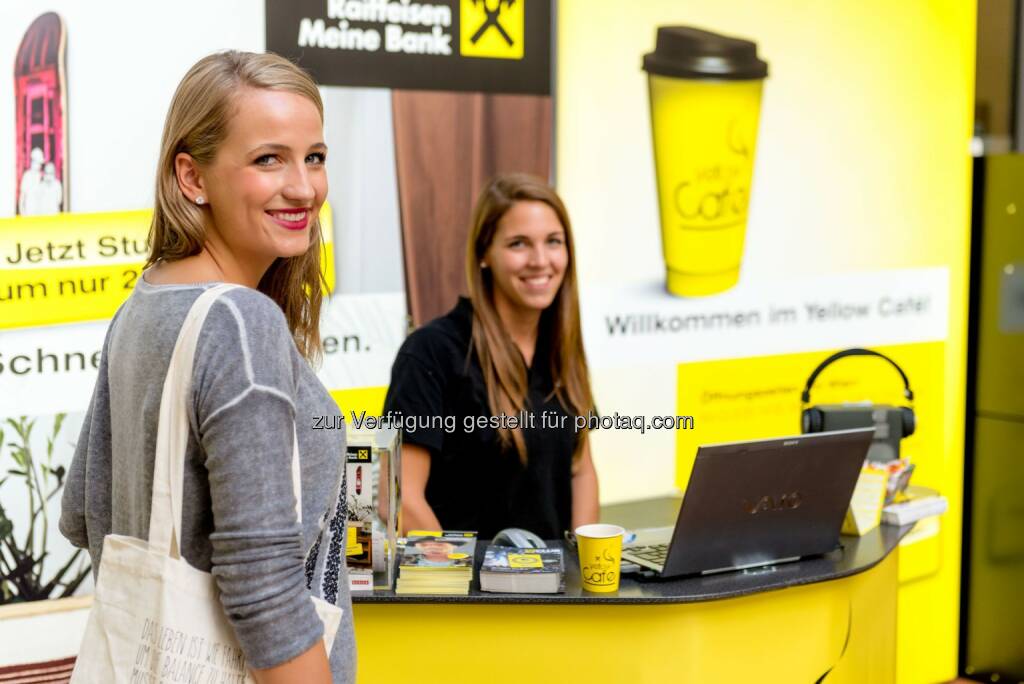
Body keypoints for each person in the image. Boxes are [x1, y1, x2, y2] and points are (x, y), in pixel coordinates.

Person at [59, 51, 354, 684]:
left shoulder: (144, 305)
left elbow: (82, 512)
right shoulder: (241, 324)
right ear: (192, 178)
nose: (304, 187)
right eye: (268, 158)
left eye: (315, 157)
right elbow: (266, 593)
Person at [383, 173, 600, 540]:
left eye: (553, 242)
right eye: (518, 244)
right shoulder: (431, 352)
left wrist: (588, 575)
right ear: (484, 254)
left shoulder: (561, 347)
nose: (540, 260)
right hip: (470, 591)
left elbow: (580, 470)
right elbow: (401, 499)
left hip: (555, 592)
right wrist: (458, 586)